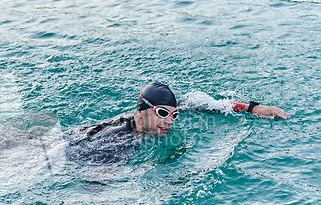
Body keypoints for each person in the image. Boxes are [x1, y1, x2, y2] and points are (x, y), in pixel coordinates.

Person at [64, 82, 289, 164]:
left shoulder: (153, 118)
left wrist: (252, 107)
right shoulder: (118, 141)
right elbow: (96, 184)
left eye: (174, 114)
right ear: (140, 113)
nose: (169, 120)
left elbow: (204, 102)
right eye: (163, 113)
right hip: (66, 148)